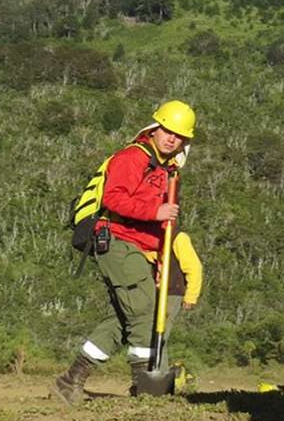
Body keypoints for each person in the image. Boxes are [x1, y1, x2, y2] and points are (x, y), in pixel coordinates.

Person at [53, 100, 196, 404]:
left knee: (122, 318)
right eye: (168, 131)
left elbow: (162, 224)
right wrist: (155, 211)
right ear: (155, 129)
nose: (173, 138)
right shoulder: (133, 157)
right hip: (115, 240)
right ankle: (146, 389)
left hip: (142, 249)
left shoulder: (168, 170)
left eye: (179, 135)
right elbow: (114, 199)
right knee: (144, 308)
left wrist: (160, 256)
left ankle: (70, 380)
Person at [160, 231, 203, 373]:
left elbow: (194, 267)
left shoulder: (178, 237)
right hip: (154, 293)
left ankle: (159, 380)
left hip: (172, 293)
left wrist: (190, 296)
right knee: (151, 337)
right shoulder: (152, 236)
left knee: (160, 337)